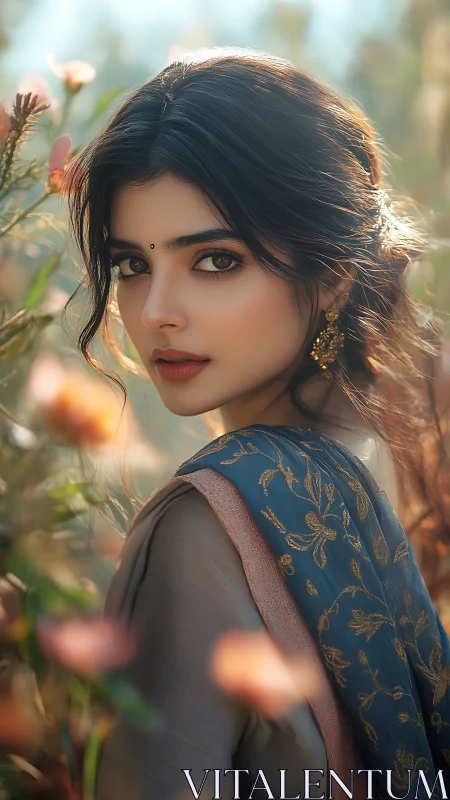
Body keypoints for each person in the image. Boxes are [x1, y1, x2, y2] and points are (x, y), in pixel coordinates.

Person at [62, 47, 450, 800]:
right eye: (132, 264)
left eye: (215, 261)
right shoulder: (399, 450)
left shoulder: (203, 524)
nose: (156, 311)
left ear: (331, 273)